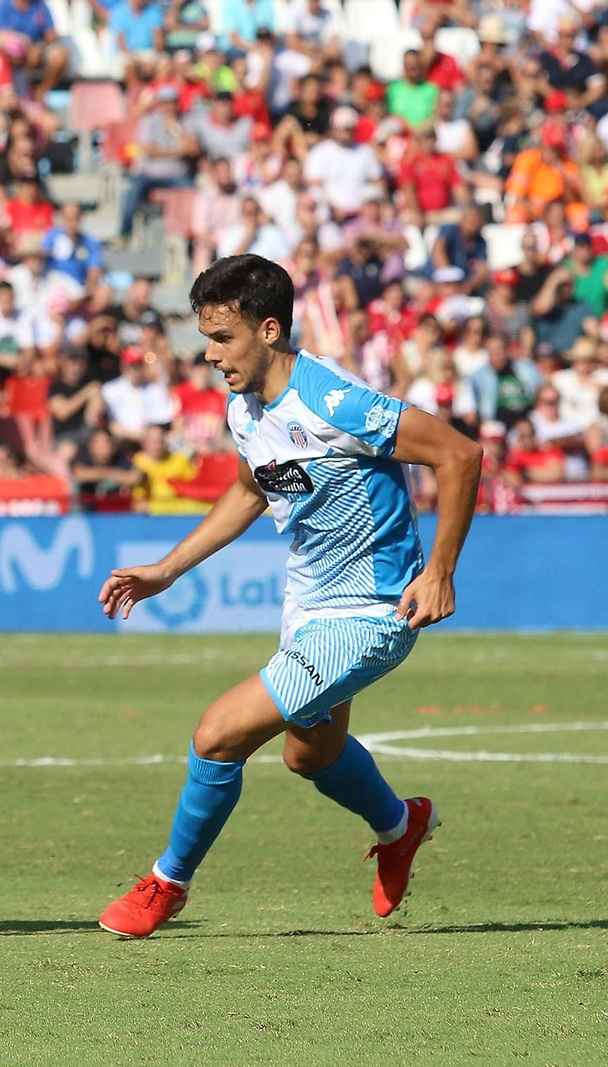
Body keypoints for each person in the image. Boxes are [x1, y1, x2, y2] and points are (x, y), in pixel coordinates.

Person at [96, 254, 482, 938]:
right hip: (309, 603)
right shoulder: (243, 408)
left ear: (269, 329)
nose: (211, 356)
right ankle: (402, 824)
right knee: (309, 754)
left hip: (373, 609)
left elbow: (459, 453)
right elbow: (251, 489)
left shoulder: (335, 400)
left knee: (218, 735)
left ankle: (166, 884)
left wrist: (441, 569)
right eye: (206, 339)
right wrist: (168, 569)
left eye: (223, 338)